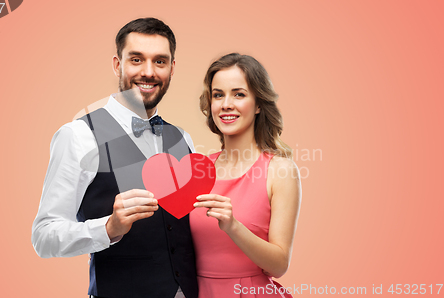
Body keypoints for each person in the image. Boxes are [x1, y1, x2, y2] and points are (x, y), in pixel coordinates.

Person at [31, 18, 198, 298]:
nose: (149, 72)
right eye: (136, 59)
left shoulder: (183, 138)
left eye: (160, 61)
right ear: (117, 65)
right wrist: (108, 228)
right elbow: (44, 237)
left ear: (171, 68)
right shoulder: (78, 135)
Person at [190, 53, 301, 297]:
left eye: (238, 94)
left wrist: (232, 226)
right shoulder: (197, 169)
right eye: (218, 95)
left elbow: (279, 264)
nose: (226, 104)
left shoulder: (280, 170)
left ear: (259, 104)